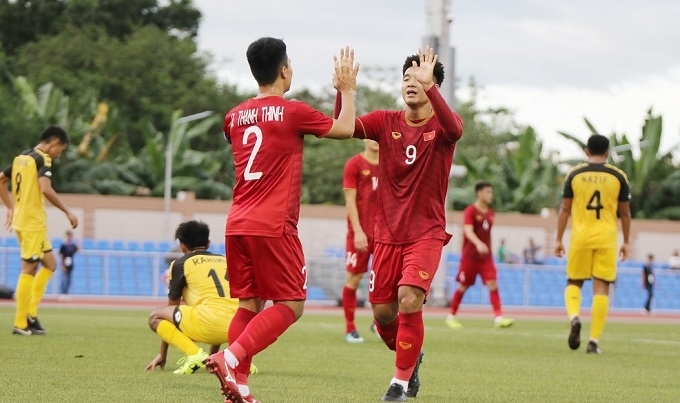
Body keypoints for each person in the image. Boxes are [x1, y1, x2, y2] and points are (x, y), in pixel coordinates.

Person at [205, 37, 359, 403]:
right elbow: (345, 129)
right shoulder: (293, 112)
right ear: (284, 70)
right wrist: (347, 90)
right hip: (273, 224)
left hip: (237, 222)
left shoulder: (233, 116)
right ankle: (230, 358)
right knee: (291, 304)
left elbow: (242, 133)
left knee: (249, 304)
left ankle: (238, 383)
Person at [337, 46, 463, 401]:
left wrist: (433, 89)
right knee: (381, 313)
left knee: (409, 299)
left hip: (425, 234)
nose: (410, 83)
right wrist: (344, 91)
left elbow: (455, 128)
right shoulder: (384, 122)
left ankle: (399, 383)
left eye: (419, 78)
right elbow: (344, 128)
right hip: (387, 236)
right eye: (406, 78)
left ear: (433, 85)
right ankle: (411, 358)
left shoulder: (442, 126)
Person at [554, 133, 631, 355]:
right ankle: (593, 342)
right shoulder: (618, 176)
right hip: (607, 238)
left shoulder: (575, 175)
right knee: (601, 288)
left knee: (574, 282)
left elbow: (565, 209)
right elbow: (625, 213)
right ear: (607, 153)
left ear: (586, 152)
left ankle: (575, 317)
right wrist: (626, 242)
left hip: (580, 237)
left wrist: (559, 239)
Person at [144, 220, 254, 375]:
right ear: (208, 243)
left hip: (209, 324)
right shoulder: (225, 261)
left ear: (182, 245)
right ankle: (237, 358)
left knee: (155, 316)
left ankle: (194, 354)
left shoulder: (180, 263)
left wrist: (163, 353)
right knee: (213, 307)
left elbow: (170, 309)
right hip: (236, 328)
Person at [0, 125, 79, 335]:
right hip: (31, 223)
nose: (59, 154)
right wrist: (68, 212)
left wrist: (10, 207)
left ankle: (30, 312)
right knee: (29, 268)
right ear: (54, 143)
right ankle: (20, 322)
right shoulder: (42, 159)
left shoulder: (21, 158)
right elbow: (45, 188)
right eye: (60, 150)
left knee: (50, 264)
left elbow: (1, 179)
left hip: (25, 221)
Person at [445, 181, 514, 329]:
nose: (491, 195)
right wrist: (477, 243)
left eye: (491, 192)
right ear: (479, 193)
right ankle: (451, 316)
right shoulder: (470, 211)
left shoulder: (491, 213)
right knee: (464, 286)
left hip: (485, 258)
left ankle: (498, 318)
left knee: (493, 283)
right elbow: (468, 231)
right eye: (488, 192)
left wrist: (488, 248)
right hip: (470, 257)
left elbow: (488, 235)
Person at [341, 139, 379, 343]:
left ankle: (379, 324)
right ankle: (350, 328)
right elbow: (350, 201)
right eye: (371, 136)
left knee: (386, 282)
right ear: (364, 138)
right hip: (360, 233)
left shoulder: (391, 164)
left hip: (385, 235)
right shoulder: (354, 164)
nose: (375, 141)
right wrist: (358, 231)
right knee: (354, 279)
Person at [59, 230, 79, 296]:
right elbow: (61, 255)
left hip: (70, 264)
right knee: (64, 279)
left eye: (70, 236)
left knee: (69, 279)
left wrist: (76, 241)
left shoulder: (72, 246)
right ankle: (62, 293)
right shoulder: (63, 245)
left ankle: (66, 292)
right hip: (64, 264)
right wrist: (62, 265)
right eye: (68, 236)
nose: (69, 237)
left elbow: (78, 249)